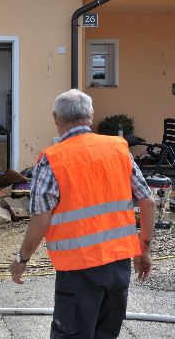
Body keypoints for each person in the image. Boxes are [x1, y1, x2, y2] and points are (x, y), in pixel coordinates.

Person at [9, 89, 156, 338]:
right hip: (118, 266)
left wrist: (22, 260)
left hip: (78, 270)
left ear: (56, 118)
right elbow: (148, 202)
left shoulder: (52, 160)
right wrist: (145, 249)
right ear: (91, 115)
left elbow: (41, 218)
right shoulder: (119, 149)